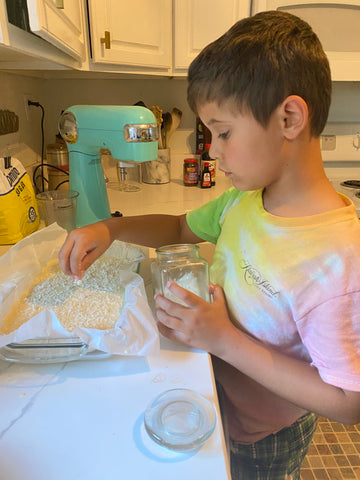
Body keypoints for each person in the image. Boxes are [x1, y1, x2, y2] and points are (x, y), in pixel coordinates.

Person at [58, 10, 360, 480]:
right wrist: (109, 229)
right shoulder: (245, 199)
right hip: (219, 391)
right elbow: (180, 227)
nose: (213, 150)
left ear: (289, 118)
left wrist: (223, 338)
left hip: (264, 436)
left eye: (223, 132)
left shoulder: (336, 260)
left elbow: (347, 402)